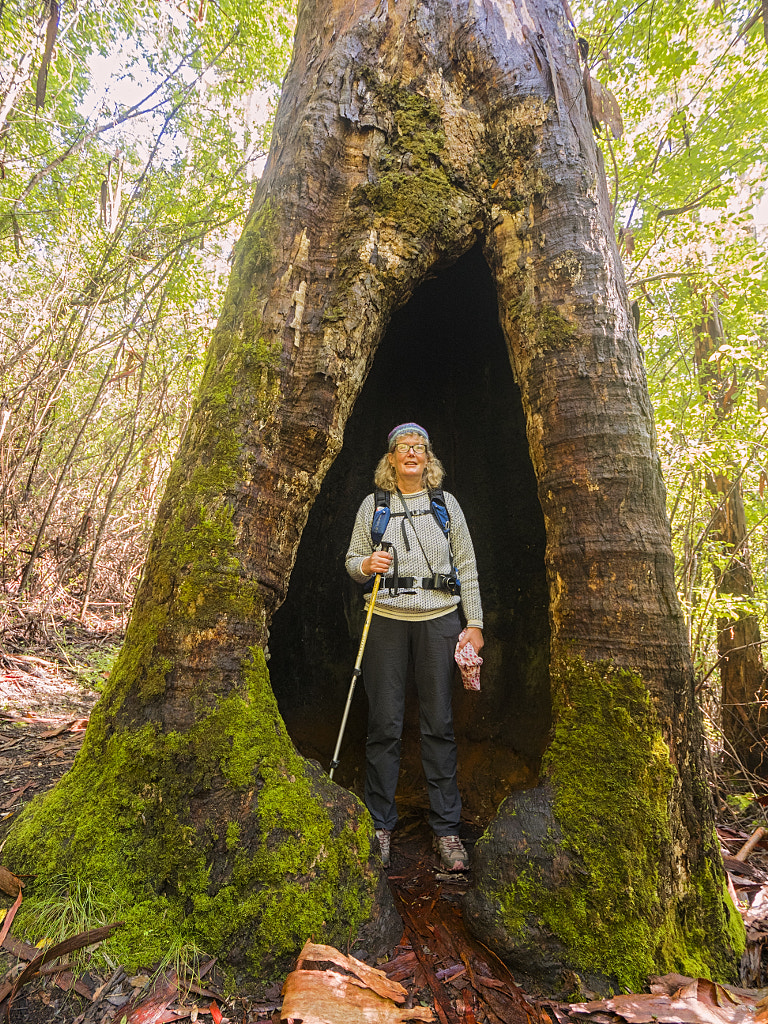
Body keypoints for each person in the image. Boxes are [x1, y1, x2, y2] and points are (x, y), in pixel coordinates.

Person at [345, 423, 483, 872]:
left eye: (419, 447)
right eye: (403, 448)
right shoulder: (374, 505)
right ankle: (380, 825)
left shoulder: (446, 506)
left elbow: (467, 565)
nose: (411, 453)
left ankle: (447, 830)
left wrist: (475, 623)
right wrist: (367, 564)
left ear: (428, 458)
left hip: (440, 620)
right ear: (390, 459)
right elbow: (351, 562)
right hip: (384, 619)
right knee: (383, 723)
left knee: (438, 724)